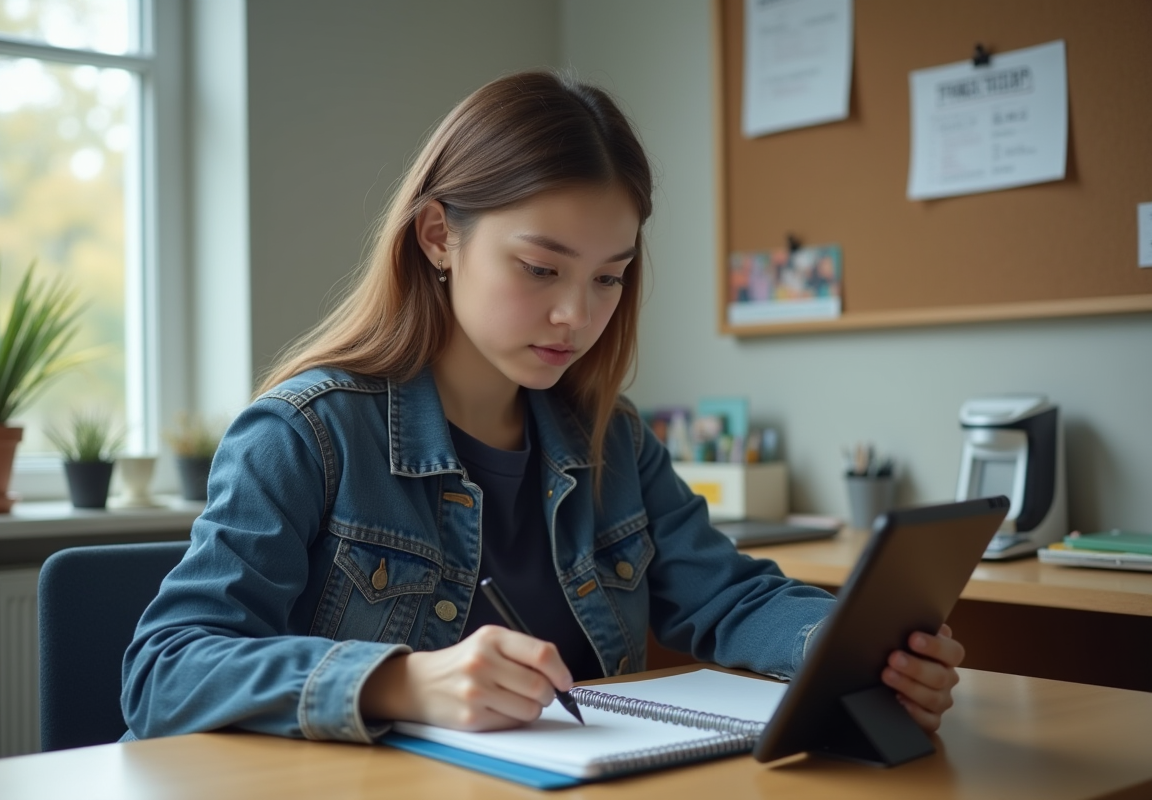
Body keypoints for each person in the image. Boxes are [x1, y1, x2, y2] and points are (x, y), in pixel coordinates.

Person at [121, 71, 963, 744]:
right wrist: (402, 680)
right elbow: (163, 671)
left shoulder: (611, 440)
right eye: (540, 268)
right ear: (439, 237)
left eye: (608, 276)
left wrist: (850, 651)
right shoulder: (307, 434)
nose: (577, 314)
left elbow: (729, 599)